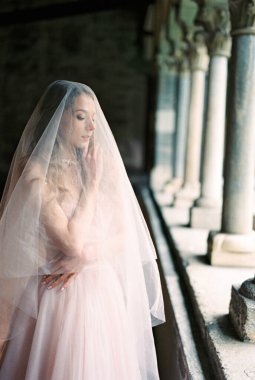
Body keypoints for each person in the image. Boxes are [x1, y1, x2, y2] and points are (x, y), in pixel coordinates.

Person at [0, 80, 165, 380]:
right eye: (80, 116)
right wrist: (89, 187)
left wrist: (89, 256)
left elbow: (127, 235)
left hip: (104, 298)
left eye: (93, 117)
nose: (92, 126)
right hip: (57, 301)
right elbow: (70, 244)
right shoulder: (35, 174)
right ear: (58, 119)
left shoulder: (97, 166)